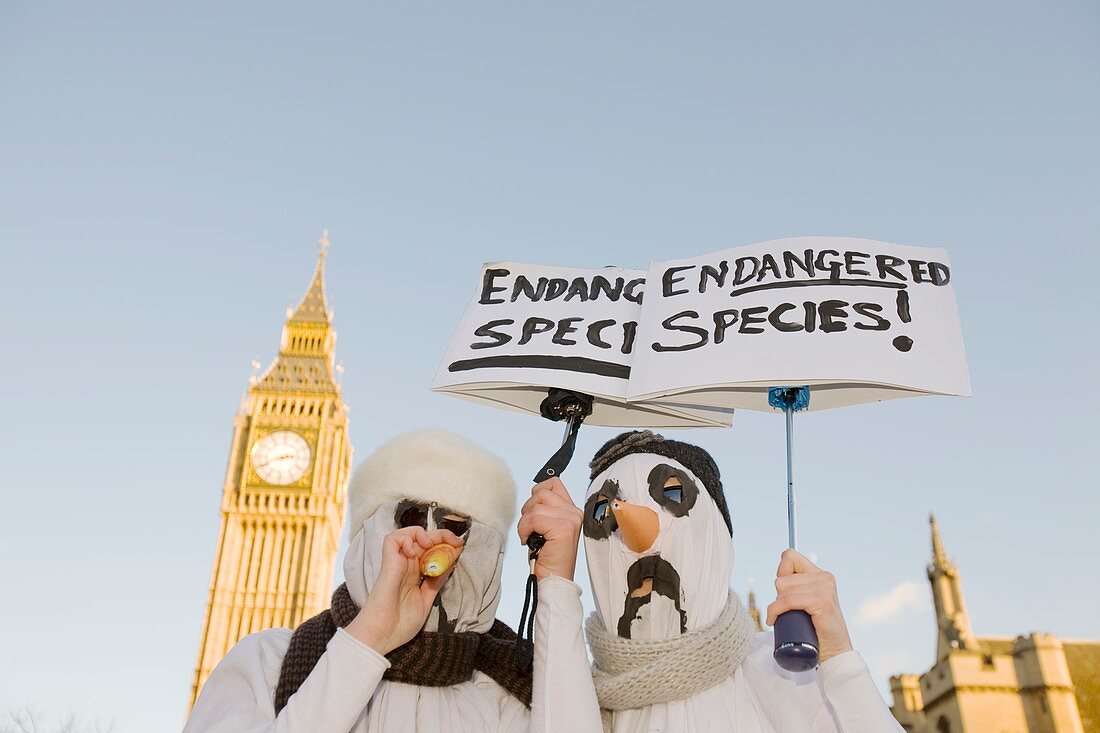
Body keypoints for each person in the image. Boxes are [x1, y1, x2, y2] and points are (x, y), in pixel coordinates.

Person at [185, 428, 601, 733]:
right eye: (409, 519)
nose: (427, 541)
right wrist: (369, 637)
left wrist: (557, 589)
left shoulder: (513, 691)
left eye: (458, 528)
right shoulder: (269, 661)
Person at [573, 430, 904, 732]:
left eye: (672, 494)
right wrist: (554, 593)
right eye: (602, 514)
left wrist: (840, 660)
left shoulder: (787, 673)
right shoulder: (573, 698)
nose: (634, 531)